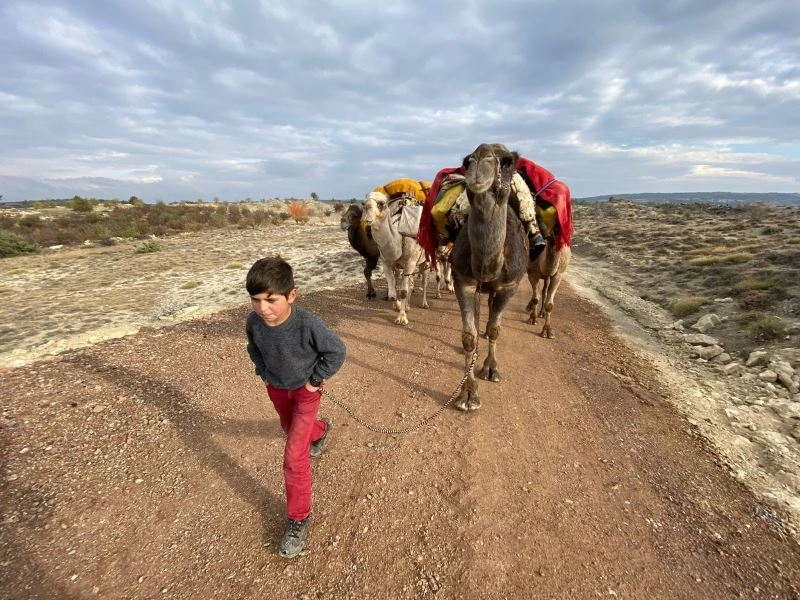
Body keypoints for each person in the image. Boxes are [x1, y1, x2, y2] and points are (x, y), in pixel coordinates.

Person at [245, 256, 346, 558]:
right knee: (289, 428)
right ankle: (321, 430)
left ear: (291, 295)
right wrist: (263, 371)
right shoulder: (254, 322)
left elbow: (336, 352)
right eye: (255, 300)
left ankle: (298, 519)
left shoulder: (307, 324)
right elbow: (253, 348)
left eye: (271, 300)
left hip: (306, 394)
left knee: (294, 455)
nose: (263, 308)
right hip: (276, 389)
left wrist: (315, 380)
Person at [417, 153, 573, 263]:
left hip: (506, 180)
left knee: (526, 200)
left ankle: (534, 233)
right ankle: (452, 238)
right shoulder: (474, 169)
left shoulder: (513, 171)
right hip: (479, 182)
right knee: (458, 210)